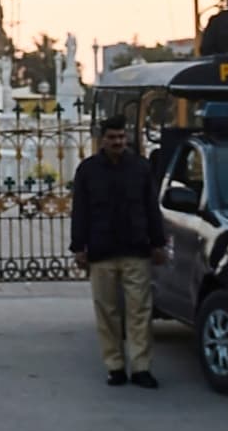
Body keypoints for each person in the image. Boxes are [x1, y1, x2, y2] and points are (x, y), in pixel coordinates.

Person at [70, 115, 168, 389]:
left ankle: (141, 367)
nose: (118, 142)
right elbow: (80, 212)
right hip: (101, 251)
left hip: (135, 249)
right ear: (103, 139)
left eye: (121, 137)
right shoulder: (88, 171)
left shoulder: (140, 168)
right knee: (107, 312)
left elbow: (151, 207)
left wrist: (157, 243)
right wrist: (79, 247)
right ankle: (114, 366)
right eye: (112, 138)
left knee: (139, 311)